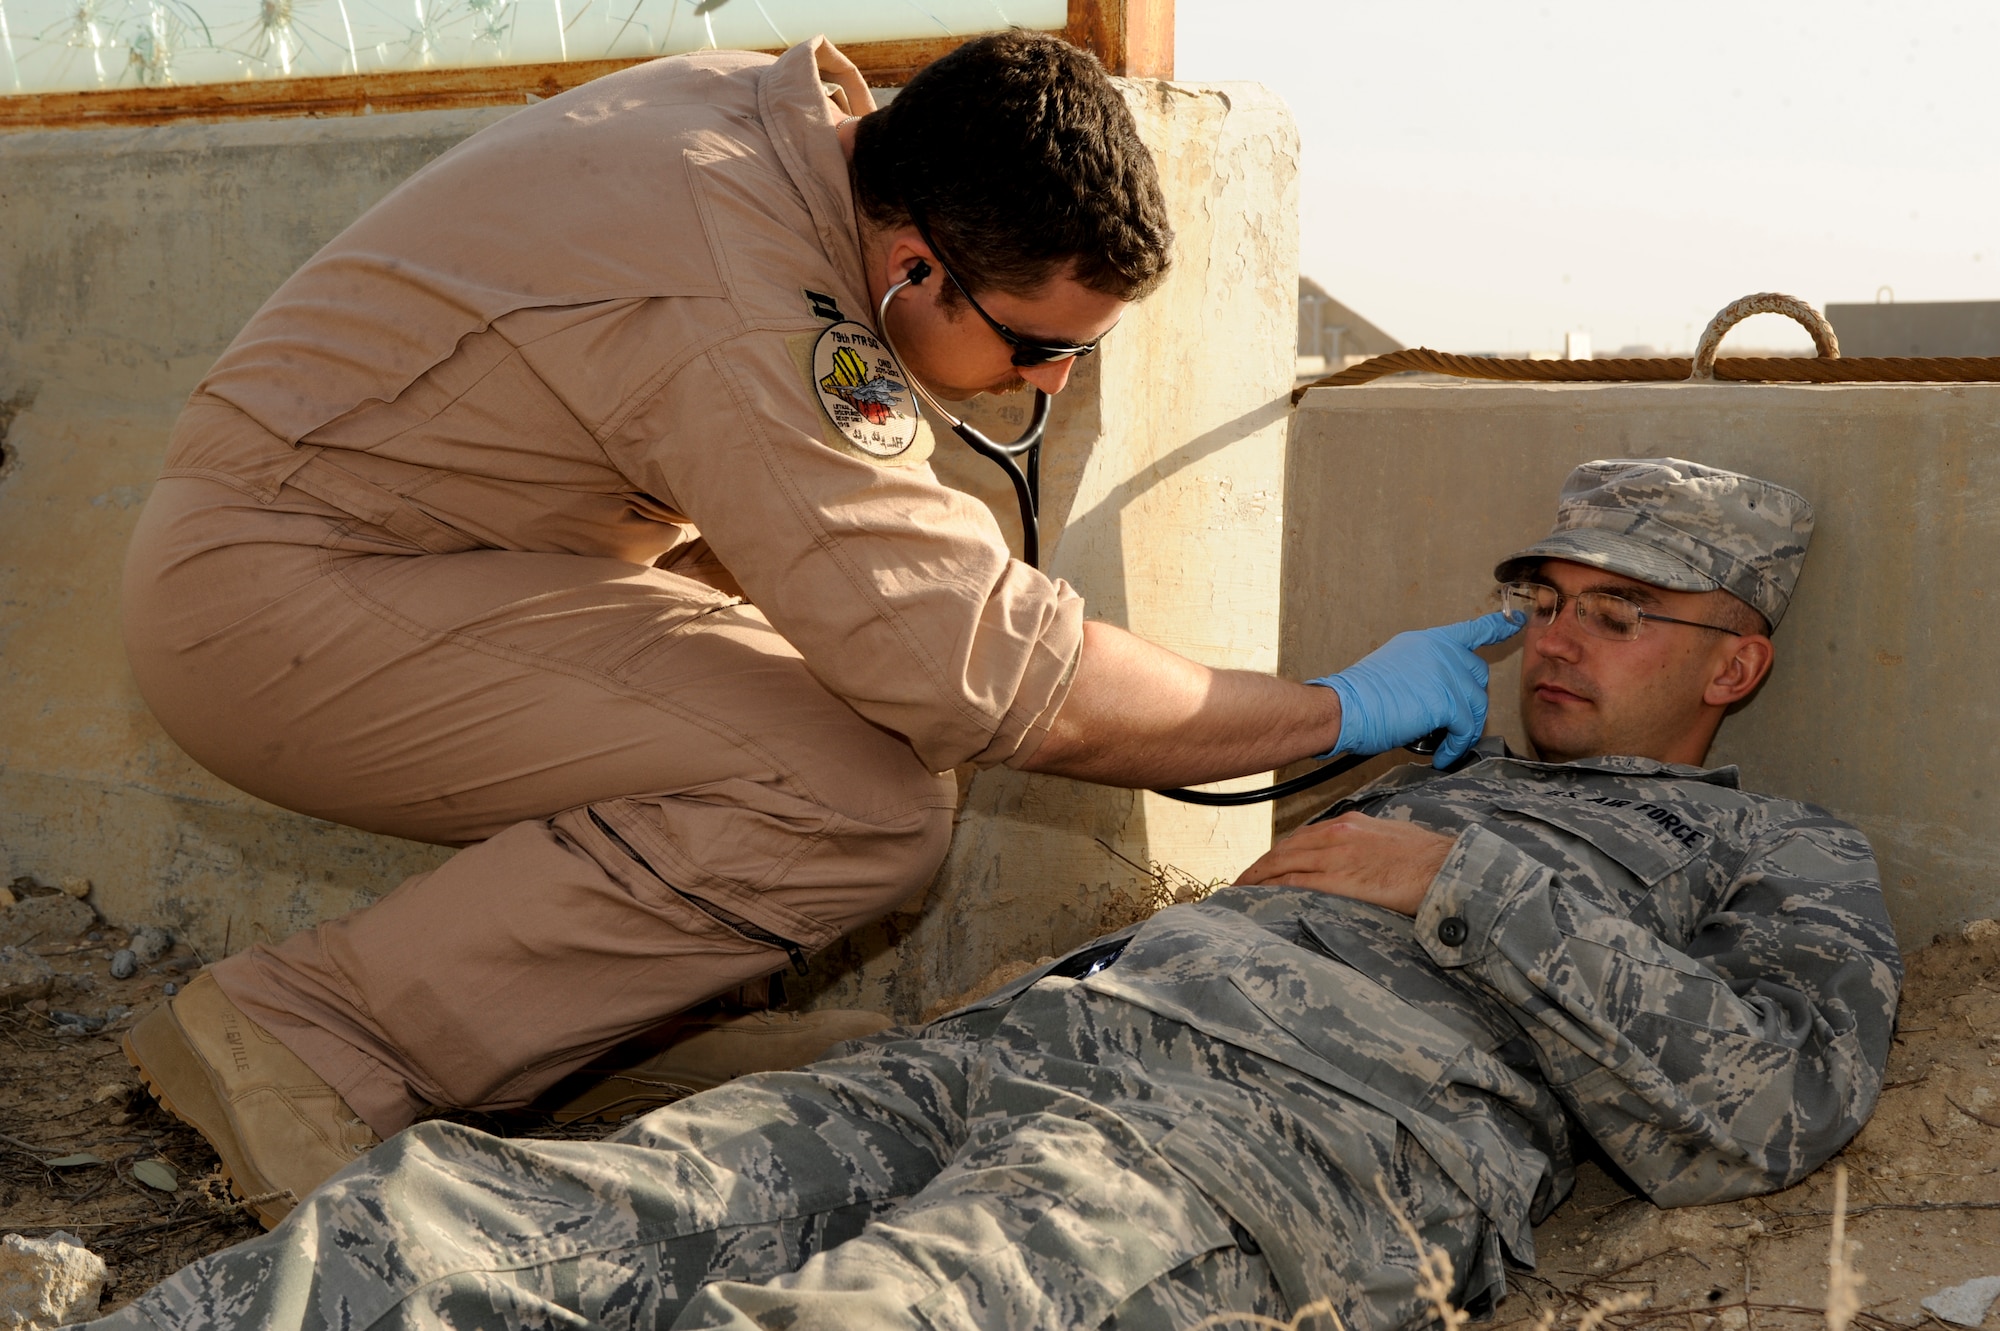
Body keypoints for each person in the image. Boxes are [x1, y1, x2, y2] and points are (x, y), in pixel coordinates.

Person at [116, 29, 1516, 1229]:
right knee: (857, 796)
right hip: (278, 600)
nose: (1054, 378)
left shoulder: (780, 148)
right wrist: (1337, 709)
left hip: (383, 555)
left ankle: (562, 1043)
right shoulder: (743, 301)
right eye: (1037, 347)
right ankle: (312, 1039)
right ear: (913, 268)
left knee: (826, 696)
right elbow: (970, 668)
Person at [84, 458, 1900, 1331]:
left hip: (1261, 1153)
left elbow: (1761, 1115)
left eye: (1626, 612)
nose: (1562, 638)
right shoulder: (1433, 765)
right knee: (481, 1225)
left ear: (1733, 665)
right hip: (1023, 1056)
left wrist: (1456, 884)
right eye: (1550, 596)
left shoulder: (1776, 853)